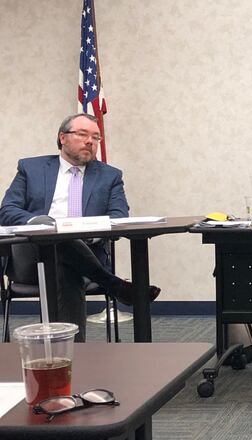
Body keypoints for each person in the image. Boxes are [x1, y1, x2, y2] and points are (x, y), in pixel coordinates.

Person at [0, 114, 161, 342]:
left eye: (96, 137)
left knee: (66, 267)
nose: (90, 141)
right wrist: (45, 223)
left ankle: (68, 355)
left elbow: (118, 217)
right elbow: (7, 211)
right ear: (62, 138)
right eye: (83, 134)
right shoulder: (31, 168)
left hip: (86, 257)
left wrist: (89, 233)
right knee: (57, 237)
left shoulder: (109, 175)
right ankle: (113, 285)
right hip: (32, 259)